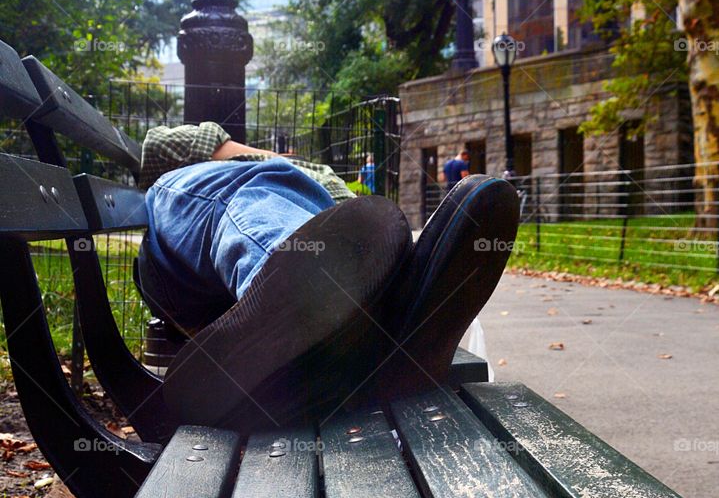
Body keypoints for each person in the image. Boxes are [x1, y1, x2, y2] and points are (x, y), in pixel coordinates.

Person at [133, 122, 519, 434]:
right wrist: (277, 160)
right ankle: (361, 327)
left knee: (337, 229)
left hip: (285, 260)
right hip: (176, 263)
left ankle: (368, 343)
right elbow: (159, 148)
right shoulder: (225, 155)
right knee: (261, 184)